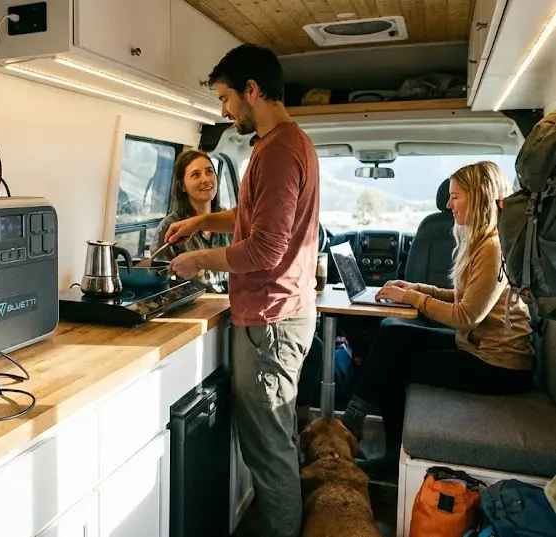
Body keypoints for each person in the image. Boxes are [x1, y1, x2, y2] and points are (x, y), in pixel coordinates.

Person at [166, 44, 320, 537]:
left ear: (252, 91)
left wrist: (195, 259)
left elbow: (265, 251)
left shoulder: (277, 152)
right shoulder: (284, 144)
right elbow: (252, 218)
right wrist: (201, 220)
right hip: (283, 312)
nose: (224, 110)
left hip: (271, 320)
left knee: (269, 454)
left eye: (226, 98)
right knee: (276, 443)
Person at [340, 161, 536, 477]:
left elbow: (466, 315)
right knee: (392, 330)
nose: (447, 204)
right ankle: (354, 415)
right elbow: (463, 298)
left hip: (499, 367)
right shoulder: (479, 241)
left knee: (401, 368)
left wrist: (415, 299)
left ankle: (385, 455)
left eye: (456, 196)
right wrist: (415, 287)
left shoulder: (493, 247)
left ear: (479, 197)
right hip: (475, 347)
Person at [150, 149, 231, 293]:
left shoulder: (227, 219)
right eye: (196, 175)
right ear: (182, 186)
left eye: (209, 171)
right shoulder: (170, 227)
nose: (206, 179)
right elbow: (160, 280)